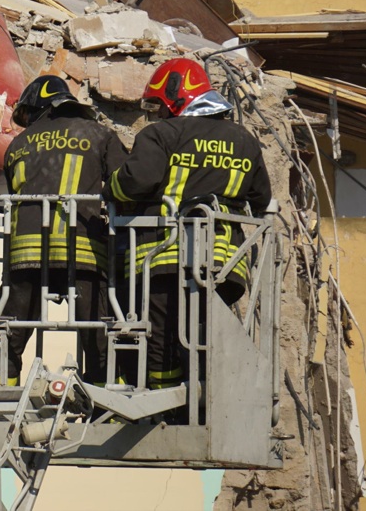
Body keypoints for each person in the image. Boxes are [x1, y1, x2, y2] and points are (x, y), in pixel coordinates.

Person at [106, 58, 272, 390]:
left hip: (166, 259)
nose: (160, 113)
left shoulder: (161, 135)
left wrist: (111, 187)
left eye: (162, 106)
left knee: (163, 342)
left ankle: (167, 409)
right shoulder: (245, 140)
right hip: (224, 266)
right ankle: (204, 401)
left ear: (175, 97)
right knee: (205, 340)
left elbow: (136, 181)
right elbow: (260, 200)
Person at [0, 75, 126, 386]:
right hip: (83, 250)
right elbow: (124, 188)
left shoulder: (18, 144)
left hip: (26, 253)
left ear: (37, 108)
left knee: (10, 332)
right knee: (97, 334)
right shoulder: (100, 135)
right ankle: (107, 402)